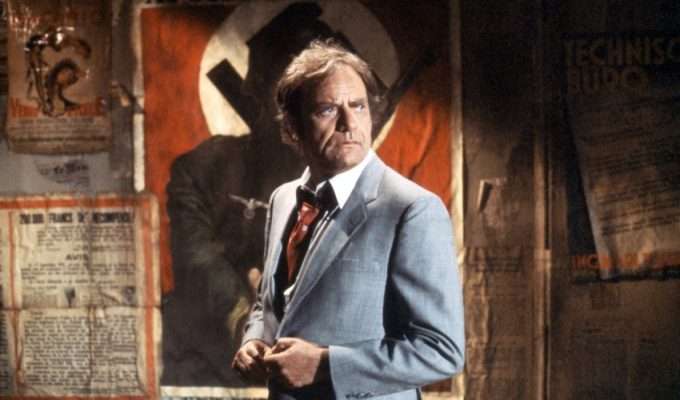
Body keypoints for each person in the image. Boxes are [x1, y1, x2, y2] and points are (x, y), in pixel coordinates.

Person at [232, 40, 464, 399]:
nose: (349, 123)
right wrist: (254, 340)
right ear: (292, 128)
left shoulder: (413, 210)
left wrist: (326, 366)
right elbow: (272, 303)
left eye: (358, 106)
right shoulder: (283, 199)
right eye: (327, 109)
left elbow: (442, 351)